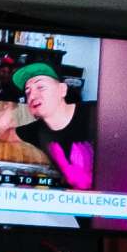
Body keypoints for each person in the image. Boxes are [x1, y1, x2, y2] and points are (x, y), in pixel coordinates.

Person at [7, 57, 94, 192]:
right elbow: (7, 136)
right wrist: (2, 124)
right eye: (27, 91)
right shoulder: (37, 130)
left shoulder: (97, 114)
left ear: (62, 90)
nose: (32, 96)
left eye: (40, 87)